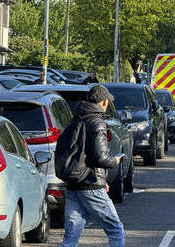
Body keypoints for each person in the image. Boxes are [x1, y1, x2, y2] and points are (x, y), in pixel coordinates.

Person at [61, 85, 125, 247]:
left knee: (71, 237)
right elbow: (100, 157)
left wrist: (103, 180)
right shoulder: (97, 123)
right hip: (90, 185)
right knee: (115, 229)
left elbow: (81, 155)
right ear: (103, 102)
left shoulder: (75, 120)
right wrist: (114, 161)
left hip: (73, 184)